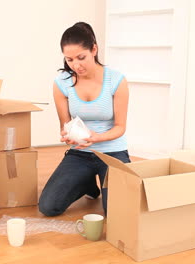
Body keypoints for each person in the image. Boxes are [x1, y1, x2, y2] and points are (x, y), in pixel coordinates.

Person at [38, 22, 130, 217]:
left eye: (81, 57)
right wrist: (67, 135)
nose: (76, 65)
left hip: (113, 153)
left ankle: (96, 180)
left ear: (94, 49)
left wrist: (97, 137)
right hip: (80, 153)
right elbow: (65, 124)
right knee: (48, 206)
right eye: (69, 59)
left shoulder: (116, 80)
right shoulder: (62, 83)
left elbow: (120, 127)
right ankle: (87, 183)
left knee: (116, 213)